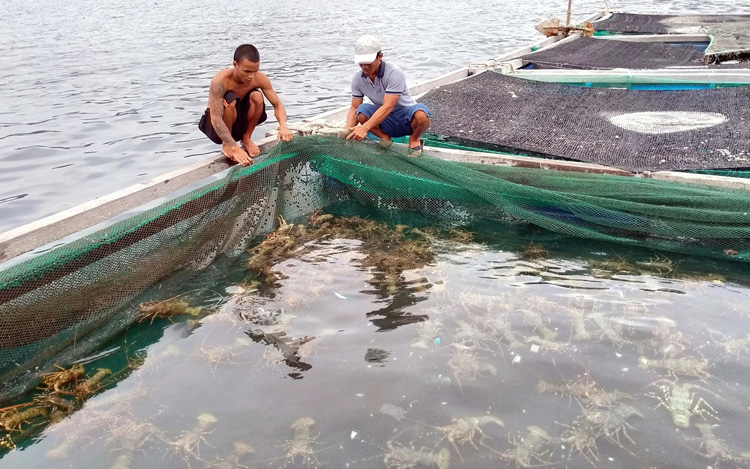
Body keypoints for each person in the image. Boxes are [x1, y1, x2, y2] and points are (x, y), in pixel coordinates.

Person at [199, 44, 293, 166]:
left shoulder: (259, 79)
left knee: (257, 96)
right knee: (230, 99)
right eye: (247, 71)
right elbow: (215, 118)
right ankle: (227, 144)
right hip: (216, 127)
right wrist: (234, 147)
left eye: (255, 71)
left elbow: (278, 105)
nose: (251, 76)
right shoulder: (220, 81)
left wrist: (283, 126)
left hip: (239, 122)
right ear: (235, 65)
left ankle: (246, 138)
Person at [345, 35, 431, 156]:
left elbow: (388, 106)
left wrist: (364, 128)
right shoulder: (357, 79)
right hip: (386, 121)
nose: (364, 67)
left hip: (406, 117)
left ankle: (414, 139)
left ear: (380, 56)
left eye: (368, 63)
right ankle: (385, 138)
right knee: (361, 111)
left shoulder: (394, 73)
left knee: (422, 114)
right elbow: (354, 107)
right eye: (361, 63)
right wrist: (345, 131)